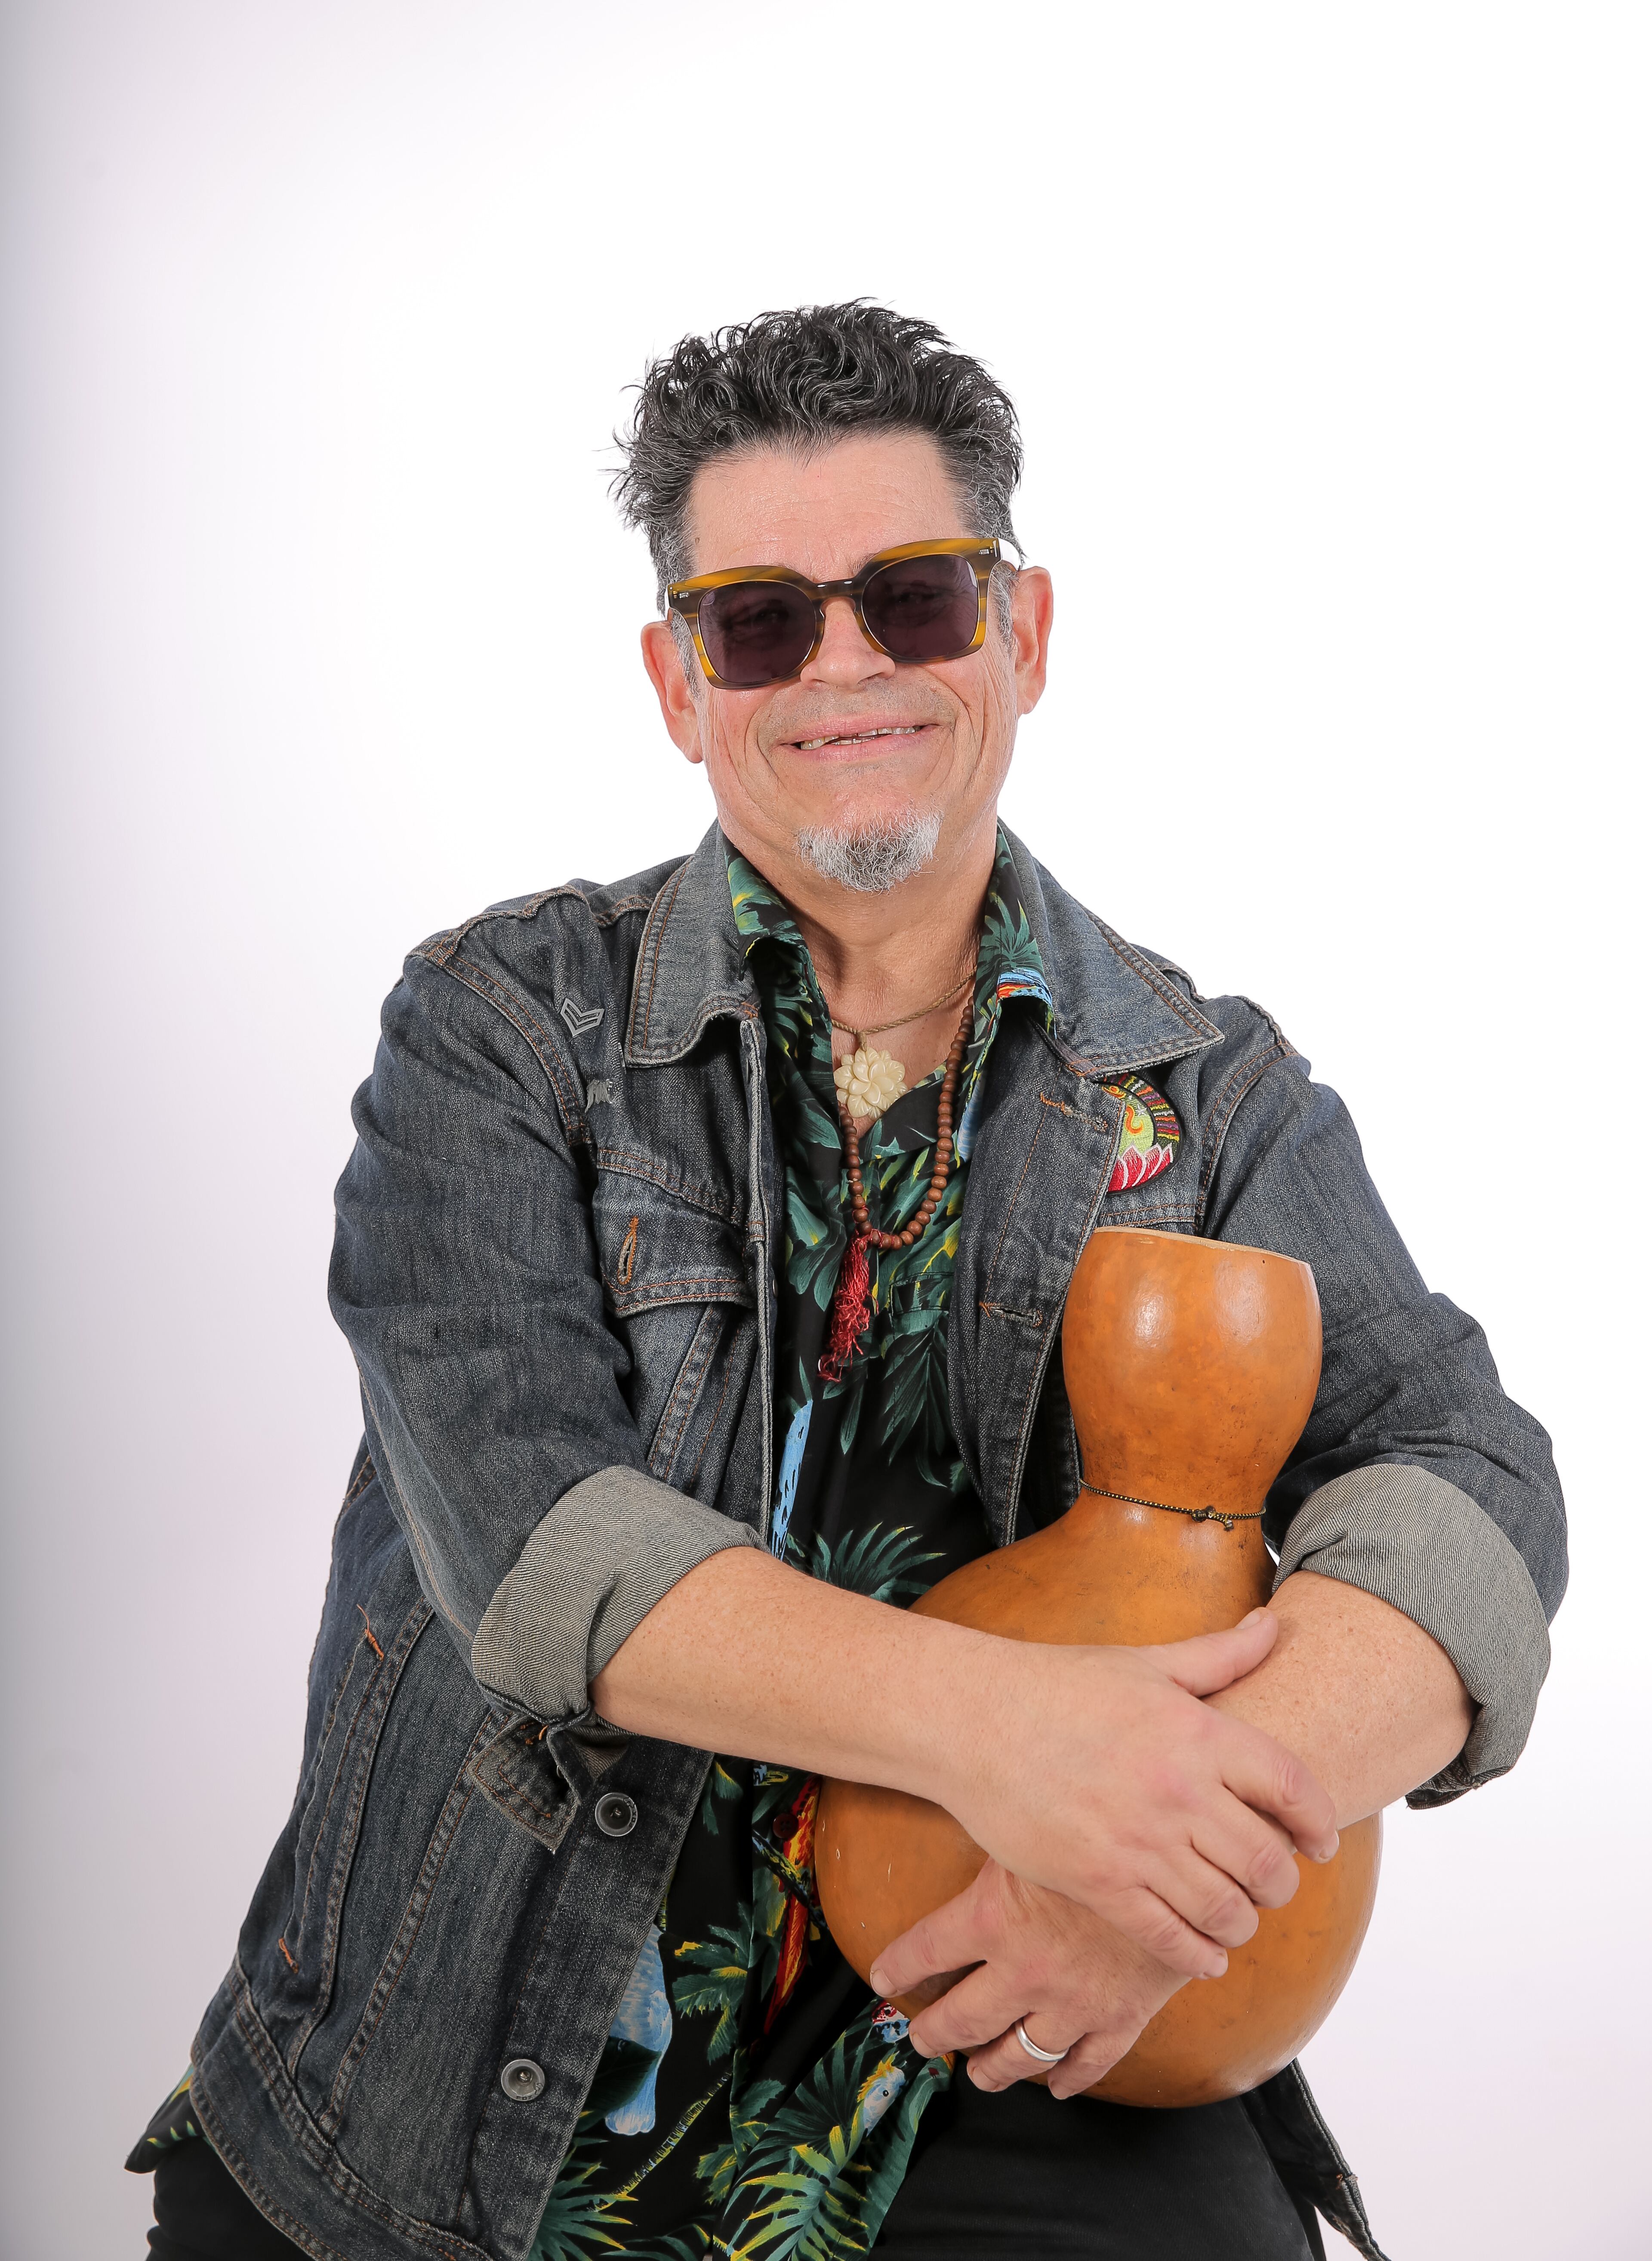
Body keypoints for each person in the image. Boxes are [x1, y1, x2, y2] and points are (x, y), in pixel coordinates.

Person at [129, 303, 1565, 2261]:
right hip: (457, 2087)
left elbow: (1468, 1482)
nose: (844, 667)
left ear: (1023, 635)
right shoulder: (500, 1028)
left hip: (1017, 2028)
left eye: (914, 598)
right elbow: (541, 1543)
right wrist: (1025, 1739)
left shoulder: (1212, 1092)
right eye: (758, 622)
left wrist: (1160, 1869)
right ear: (679, 682)